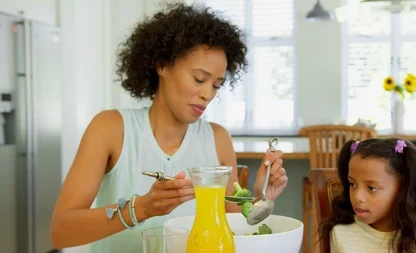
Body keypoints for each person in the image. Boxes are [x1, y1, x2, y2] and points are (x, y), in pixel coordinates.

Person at [50, 3, 288, 252]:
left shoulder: (218, 139)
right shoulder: (109, 129)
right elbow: (61, 232)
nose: (208, 94)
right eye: (199, 79)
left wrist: (261, 196)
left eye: (217, 85)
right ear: (162, 65)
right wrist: (141, 208)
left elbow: (232, 226)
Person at [321, 138, 416, 253]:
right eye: (352, 184)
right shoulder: (340, 233)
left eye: (372, 188)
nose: (357, 197)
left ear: (403, 189)